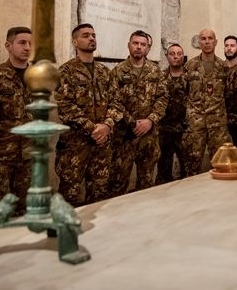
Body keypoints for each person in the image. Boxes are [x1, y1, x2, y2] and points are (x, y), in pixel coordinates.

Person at [55, 23, 125, 206]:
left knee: (99, 196)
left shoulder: (104, 72)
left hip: (102, 147)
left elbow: (117, 102)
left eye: (93, 35)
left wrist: (107, 126)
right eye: (86, 35)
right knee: (69, 197)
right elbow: (65, 106)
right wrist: (94, 129)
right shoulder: (65, 72)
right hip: (75, 146)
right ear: (75, 42)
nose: (92, 38)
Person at [0, 26, 33, 213]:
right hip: (0, 156)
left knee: (24, 209)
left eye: (29, 43)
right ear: (8, 46)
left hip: (28, 156)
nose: (27, 47)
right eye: (21, 43)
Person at [110, 31, 168, 195]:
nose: (139, 47)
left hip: (148, 138)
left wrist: (150, 120)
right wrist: (133, 123)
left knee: (147, 186)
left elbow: (162, 98)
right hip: (124, 137)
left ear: (148, 48)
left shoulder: (155, 71)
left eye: (143, 44)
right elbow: (114, 101)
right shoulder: (118, 72)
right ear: (129, 45)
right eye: (135, 43)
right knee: (118, 185)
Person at [181, 29, 231, 176]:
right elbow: (184, 92)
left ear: (215, 42)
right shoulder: (190, 66)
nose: (207, 41)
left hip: (217, 123)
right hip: (196, 123)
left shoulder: (223, 67)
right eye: (203, 39)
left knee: (221, 164)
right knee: (192, 164)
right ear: (199, 42)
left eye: (210, 38)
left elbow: (228, 93)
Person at [156, 43, 188, 184]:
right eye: (172, 54)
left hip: (185, 128)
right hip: (165, 129)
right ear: (167, 57)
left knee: (187, 168)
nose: (176, 57)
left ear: (183, 56)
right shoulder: (159, 77)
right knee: (163, 168)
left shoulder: (190, 77)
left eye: (179, 54)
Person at [222, 35, 237, 147]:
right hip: (221, 120)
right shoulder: (218, 69)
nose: (229, 48)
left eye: (232, 45)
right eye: (226, 45)